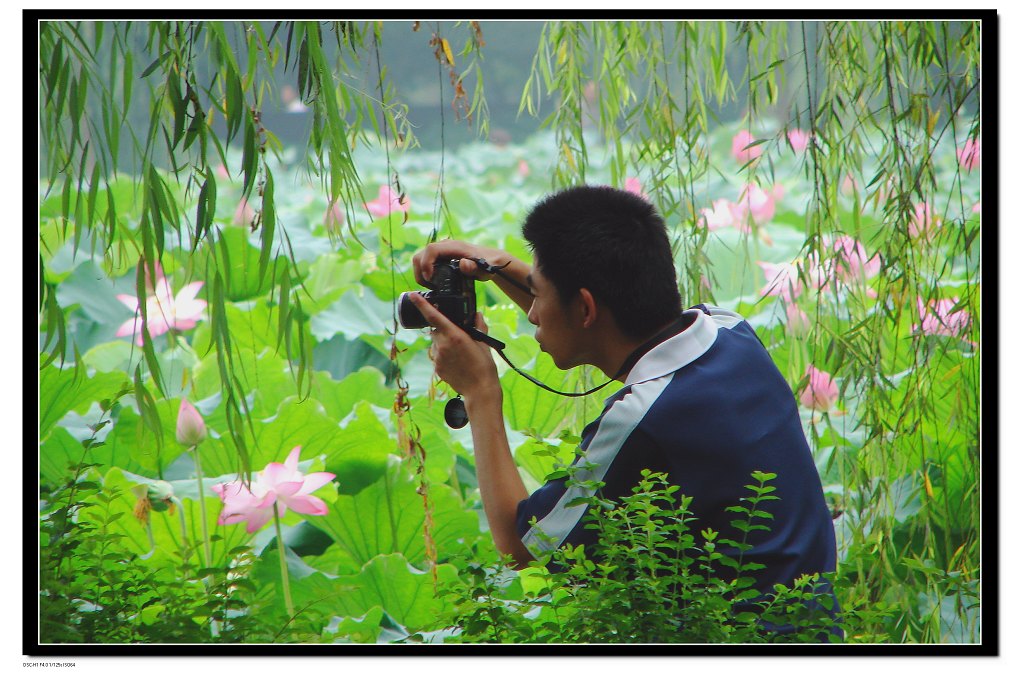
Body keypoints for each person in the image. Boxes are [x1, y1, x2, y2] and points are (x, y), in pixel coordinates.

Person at [408, 185, 837, 603]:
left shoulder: (641, 420)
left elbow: (524, 545)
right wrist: (503, 266)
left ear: (586, 309)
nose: (532, 312)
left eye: (537, 295)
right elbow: (600, 321)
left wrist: (480, 392)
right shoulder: (729, 329)